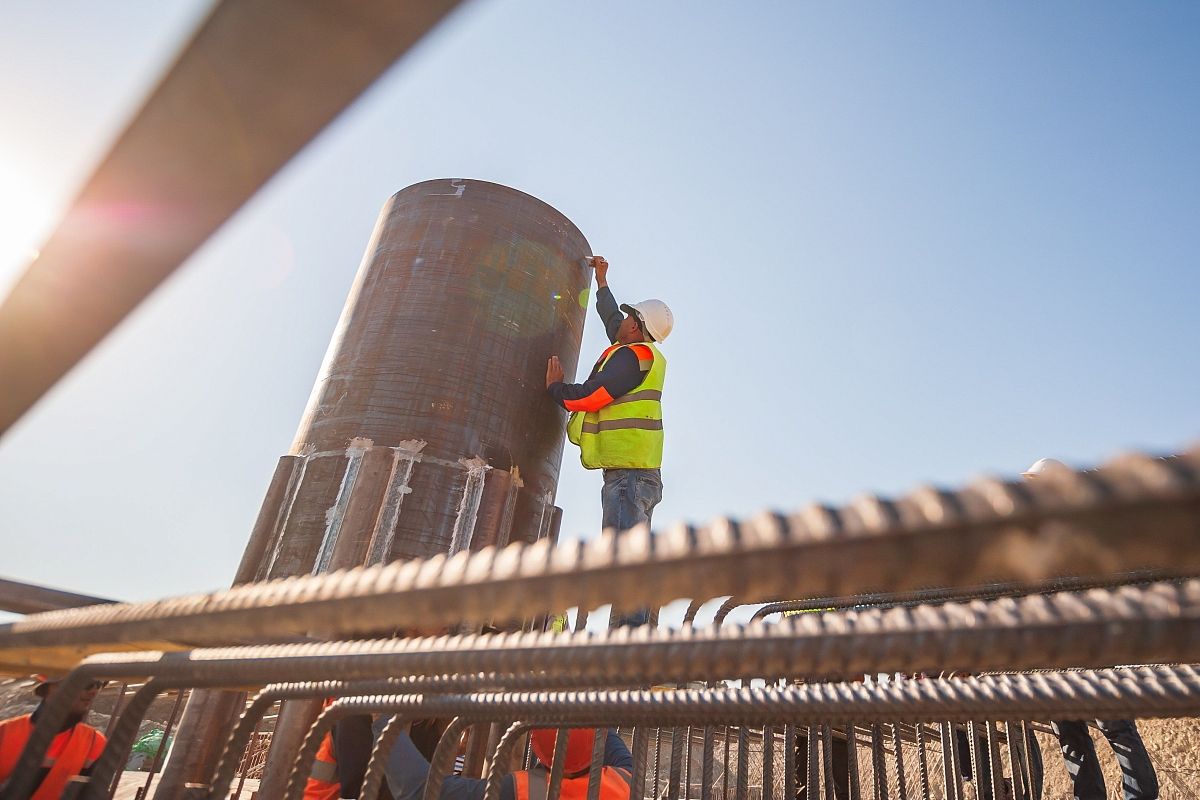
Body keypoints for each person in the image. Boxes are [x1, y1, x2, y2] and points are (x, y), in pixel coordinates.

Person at [546, 255, 673, 627]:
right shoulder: (636, 349)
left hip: (629, 478)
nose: (624, 319)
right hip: (639, 476)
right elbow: (611, 319)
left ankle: (629, 647)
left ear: (638, 327)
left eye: (630, 316)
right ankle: (635, 640)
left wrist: (555, 389)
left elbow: (591, 395)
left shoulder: (633, 359)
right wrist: (602, 282)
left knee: (623, 561)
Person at [1022, 458, 1159, 800]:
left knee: (1114, 726)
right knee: (1070, 733)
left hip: (1089, 643)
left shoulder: (1082, 525)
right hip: (1055, 651)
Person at [379, 724, 633, 800]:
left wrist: (384, 722)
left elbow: (418, 789)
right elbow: (601, 735)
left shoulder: (526, 791)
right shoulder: (625, 780)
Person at [0, 674, 107, 799]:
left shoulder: (94, 744)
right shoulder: (4, 733)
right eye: (88, 683)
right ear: (52, 687)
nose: (94, 691)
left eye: (99, 685)